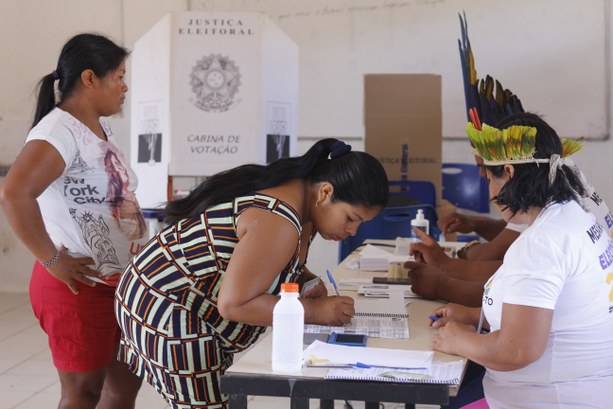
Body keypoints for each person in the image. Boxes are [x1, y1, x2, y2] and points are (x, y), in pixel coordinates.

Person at [114, 138, 389, 409]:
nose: (352, 231)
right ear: (326, 192)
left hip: (173, 296)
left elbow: (266, 259)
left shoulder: (301, 204)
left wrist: (305, 279)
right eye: (351, 218)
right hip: (166, 305)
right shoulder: (279, 220)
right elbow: (235, 304)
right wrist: (315, 311)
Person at [0, 34, 148, 408]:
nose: (124, 86)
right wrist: (52, 260)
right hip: (80, 286)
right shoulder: (57, 131)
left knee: (123, 389)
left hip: (118, 285)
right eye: (118, 76)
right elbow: (14, 195)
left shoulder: (97, 128)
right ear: (89, 78)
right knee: (83, 393)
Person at [428, 112, 613, 408]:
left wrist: (457, 341)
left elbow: (516, 350)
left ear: (510, 173)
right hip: (585, 389)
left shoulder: (542, 242)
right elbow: (546, 309)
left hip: (548, 398)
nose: (490, 192)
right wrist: (476, 316)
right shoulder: (573, 215)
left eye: (490, 177)